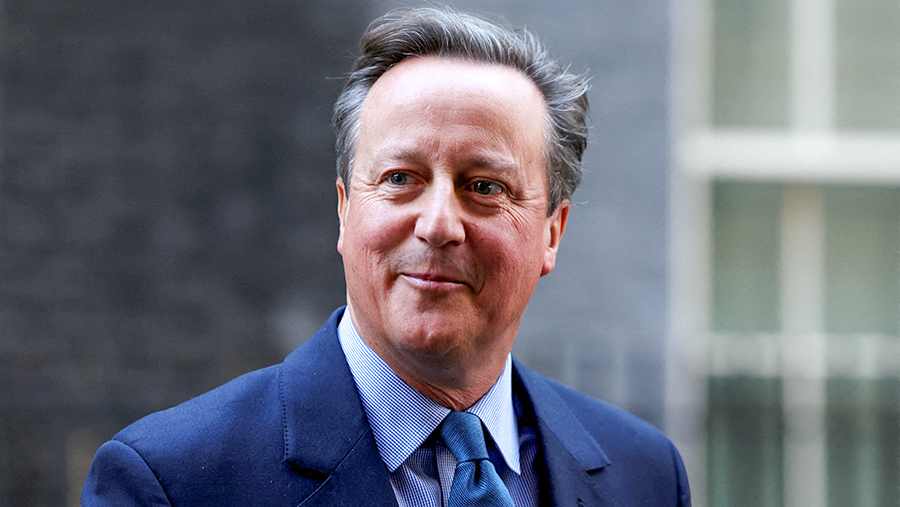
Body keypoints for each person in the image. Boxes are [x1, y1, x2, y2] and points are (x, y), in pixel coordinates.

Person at [82, 6, 691, 507]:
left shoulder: (646, 476)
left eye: (484, 186)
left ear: (552, 233)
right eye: (401, 178)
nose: (438, 225)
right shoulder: (173, 483)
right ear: (345, 210)